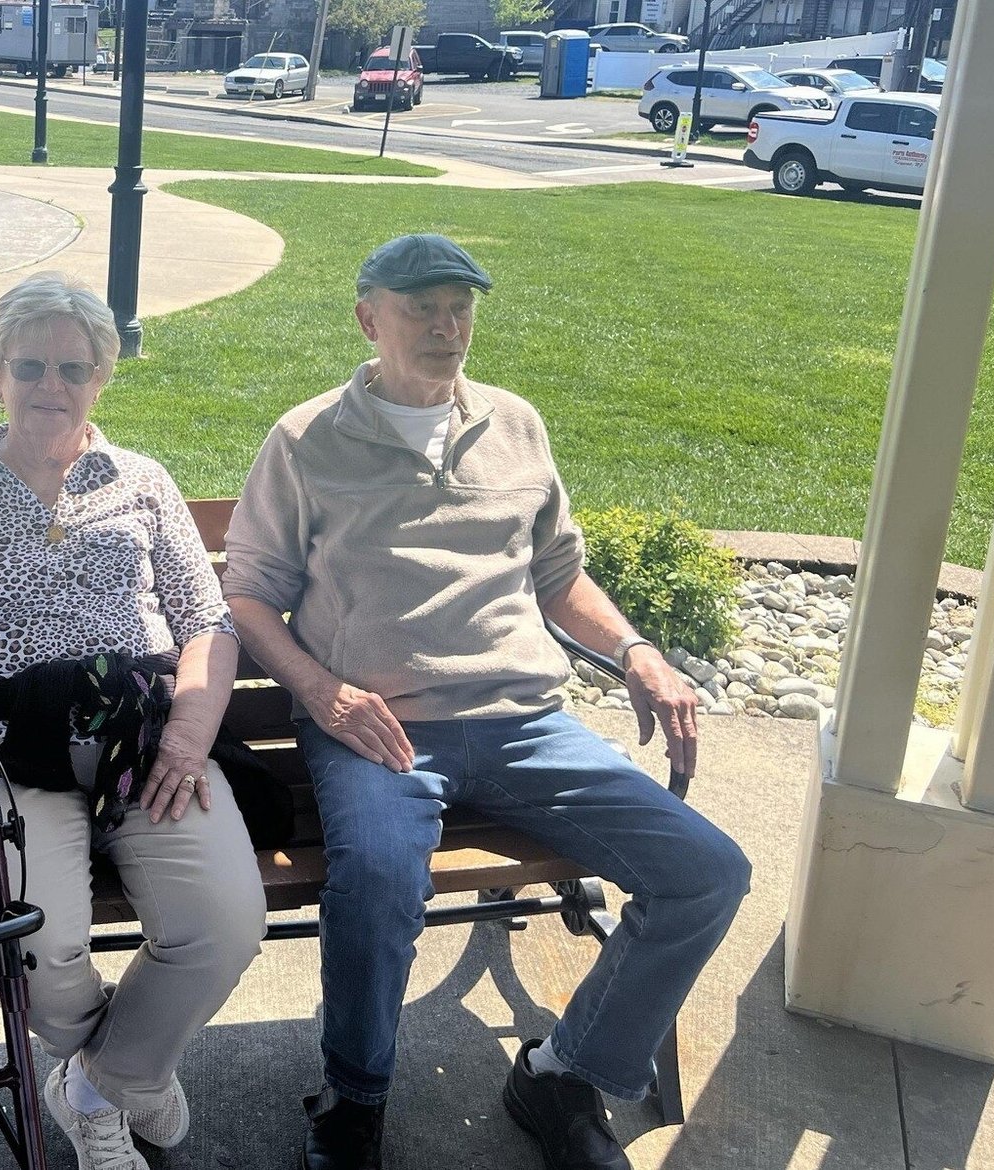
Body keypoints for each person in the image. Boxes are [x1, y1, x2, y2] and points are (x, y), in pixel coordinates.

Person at [222, 235, 751, 1170]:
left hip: (523, 726)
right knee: (381, 881)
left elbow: (558, 576)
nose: (445, 325)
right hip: (377, 730)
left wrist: (636, 650)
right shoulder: (306, 440)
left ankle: (563, 1071)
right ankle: (354, 1098)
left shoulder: (515, 423)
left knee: (707, 873)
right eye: (420, 305)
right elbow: (249, 593)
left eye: (460, 306)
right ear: (368, 318)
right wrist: (320, 690)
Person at [0, 273, 267, 1170]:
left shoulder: (144, 482)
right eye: (31, 364)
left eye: (73, 369)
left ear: (101, 379)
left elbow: (207, 623)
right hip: (1, 747)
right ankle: (131, 1067)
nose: (53, 385)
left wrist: (190, 739)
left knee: (226, 926)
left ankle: (96, 1087)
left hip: (143, 738)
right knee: (35, 958)